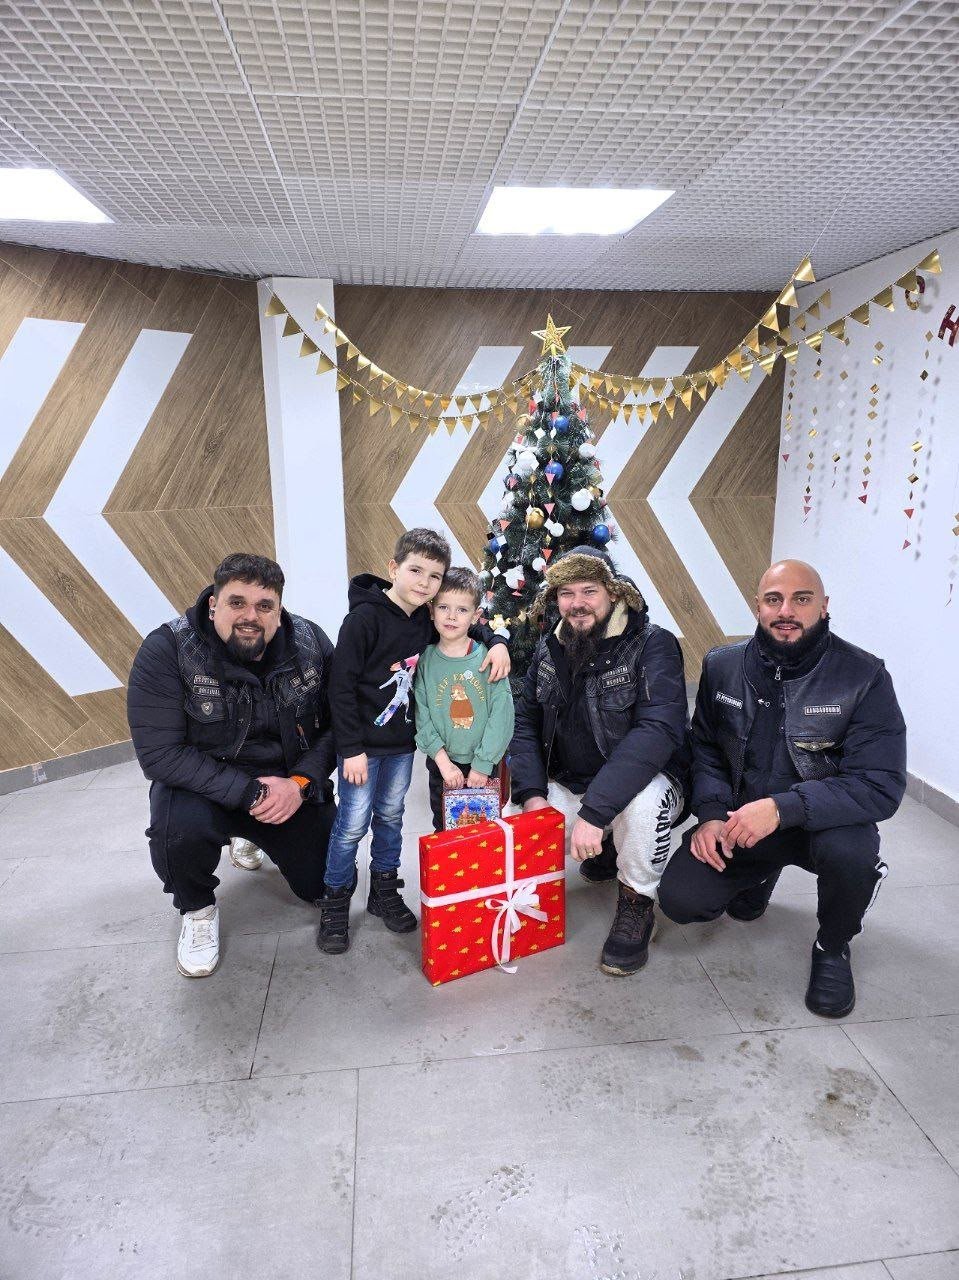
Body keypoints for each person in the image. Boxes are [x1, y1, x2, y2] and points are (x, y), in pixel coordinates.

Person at [657, 559, 906, 1018]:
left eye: (801, 599)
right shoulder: (722, 665)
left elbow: (880, 784)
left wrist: (780, 808)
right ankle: (761, 873)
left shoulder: (863, 676)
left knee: (852, 855)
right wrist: (710, 814)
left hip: (823, 826)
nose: (786, 610)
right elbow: (706, 748)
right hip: (740, 822)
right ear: (758, 607)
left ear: (824, 606)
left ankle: (833, 945)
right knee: (680, 899)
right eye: (774, 599)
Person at [127, 553, 336, 978]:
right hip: (202, 787)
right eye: (236, 602)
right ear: (213, 604)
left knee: (326, 883)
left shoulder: (311, 643)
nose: (250, 616)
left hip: (286, 785)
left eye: (264, 605)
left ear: (280, 609)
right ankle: (197, 910)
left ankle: (252, 836)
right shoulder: (168, 649)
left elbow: (340, 728)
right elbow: (160, 754)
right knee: (177, 834)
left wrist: (300, 782)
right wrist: (250, 794)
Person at [319, 529, 510, 954]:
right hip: (361, 749)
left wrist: (498, 642)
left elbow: (468, 627)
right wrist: (350, 749)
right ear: (394, 568)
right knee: (352, 825)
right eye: (416, 571)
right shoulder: (362, 621)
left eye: (434, 576)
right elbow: (340, 688)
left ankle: (383, 890)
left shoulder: (426, 619)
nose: (424, 583)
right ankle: (335, 900)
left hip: (400, 746)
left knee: (391, 818)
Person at [509, 545, 690, 976]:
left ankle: (637, 902)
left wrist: (594, 813)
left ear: (613, 593)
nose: (577, 604)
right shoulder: (549, 647)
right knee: (511, 820)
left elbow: (657, 733)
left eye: (589, 591)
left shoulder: (653, 644)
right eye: (566, 593)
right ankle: (526, 901)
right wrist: (533, 796)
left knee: (643, 807)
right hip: (571, 780)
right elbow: (523, 722)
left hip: (648, 782)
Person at [413, 566, 515, 831]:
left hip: (484, 764)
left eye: (461, 609)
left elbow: (502, 716)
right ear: (431, 610)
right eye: (443, 607)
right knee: (444, 830)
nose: (451, 616)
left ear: (475, 616)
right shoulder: (425, 660)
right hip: (442, 764)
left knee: (484, 833)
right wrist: (443, 763)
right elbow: (422, 715)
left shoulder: (489, 659)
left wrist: (482, 765)